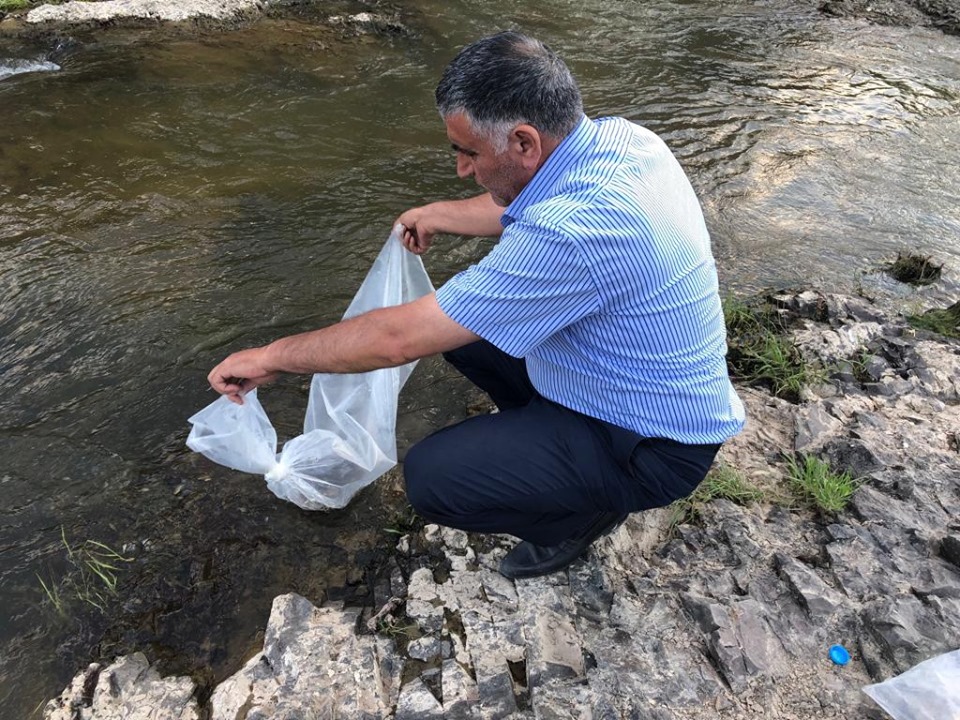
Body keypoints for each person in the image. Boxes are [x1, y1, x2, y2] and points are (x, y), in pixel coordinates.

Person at [207, 30, 745, 580]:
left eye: (468, 153)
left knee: (433, 479)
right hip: (632, 385)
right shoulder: (624, 141)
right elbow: (525, 201)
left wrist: (269, 357)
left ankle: (578, 516)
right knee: (473, 339)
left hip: (648, 447)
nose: (462, 168)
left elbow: (398, 339)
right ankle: (543, 442)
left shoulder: (577, 234)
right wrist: (436, 213)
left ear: (524, 143)